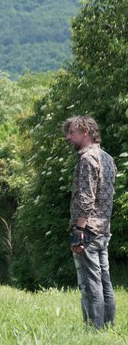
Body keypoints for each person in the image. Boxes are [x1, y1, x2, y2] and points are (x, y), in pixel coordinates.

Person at [63, 115, 116, 329]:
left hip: (89, 231)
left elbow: (86, 198)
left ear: (85, 131)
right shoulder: (107, 158)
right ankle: (108, 328)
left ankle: (94, 330)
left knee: (90, 283)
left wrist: (79, 229)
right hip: (103, 229)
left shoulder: (87, 159)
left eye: (72, 133)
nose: (68, 137)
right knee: (105, 282)